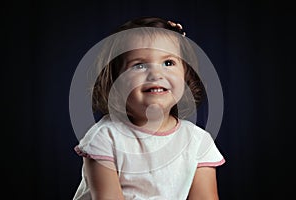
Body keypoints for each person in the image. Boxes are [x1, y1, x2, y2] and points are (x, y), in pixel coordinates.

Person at [72, 16, 225, 200]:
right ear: (116, 82)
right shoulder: (105, 137)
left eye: (168, 63)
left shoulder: (199, 141)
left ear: (185, 77)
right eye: (139, 65)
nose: (156, 74)